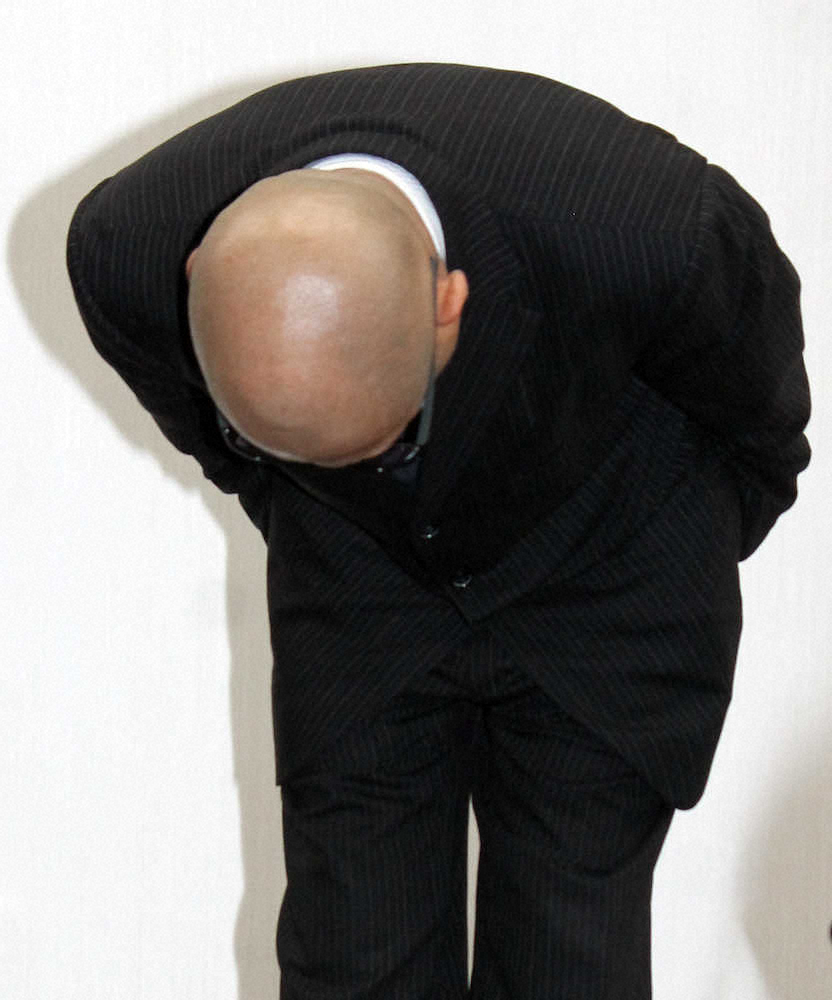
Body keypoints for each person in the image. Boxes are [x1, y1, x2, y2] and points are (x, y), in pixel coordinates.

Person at [67, 63, 810, 999]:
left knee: (568, 962)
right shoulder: (126, 246)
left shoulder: (646, 222)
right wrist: (313, 499)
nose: (373, 468)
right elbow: (227, 454)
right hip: (359, 582)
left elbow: (762, 429)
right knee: (351, 962)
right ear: (192, 282)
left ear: (449, 302)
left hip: (608, 576)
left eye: (392, 437)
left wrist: (669, 554)